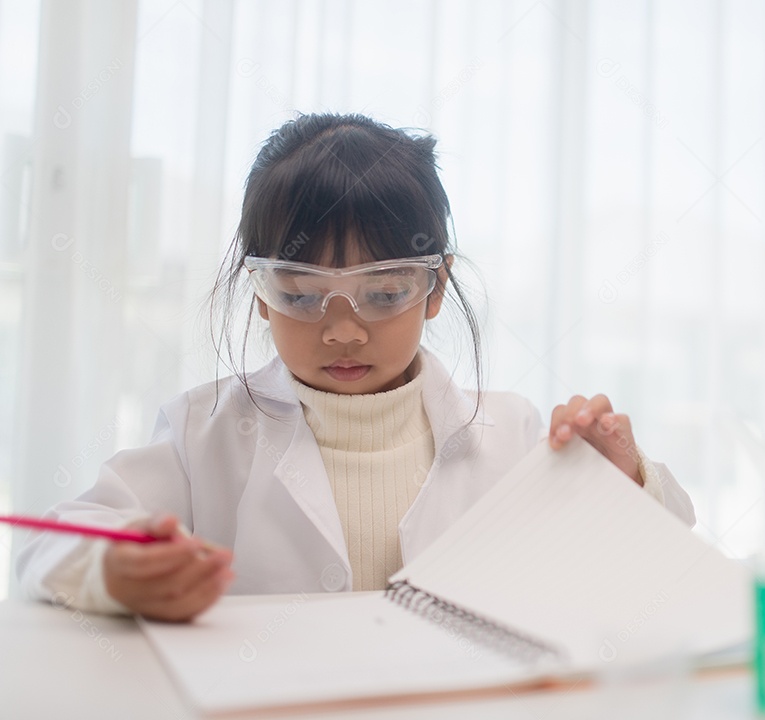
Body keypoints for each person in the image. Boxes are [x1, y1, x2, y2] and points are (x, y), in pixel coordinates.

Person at [17, 113, 695, 622]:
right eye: (303, 295)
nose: (342, 329)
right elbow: (48, 546)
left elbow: (660, 563)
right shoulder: (204, 433)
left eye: (384, 293)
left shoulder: (511, 433)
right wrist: (114, 570)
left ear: (434, 290)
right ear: (259, 293)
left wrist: (624, 482)